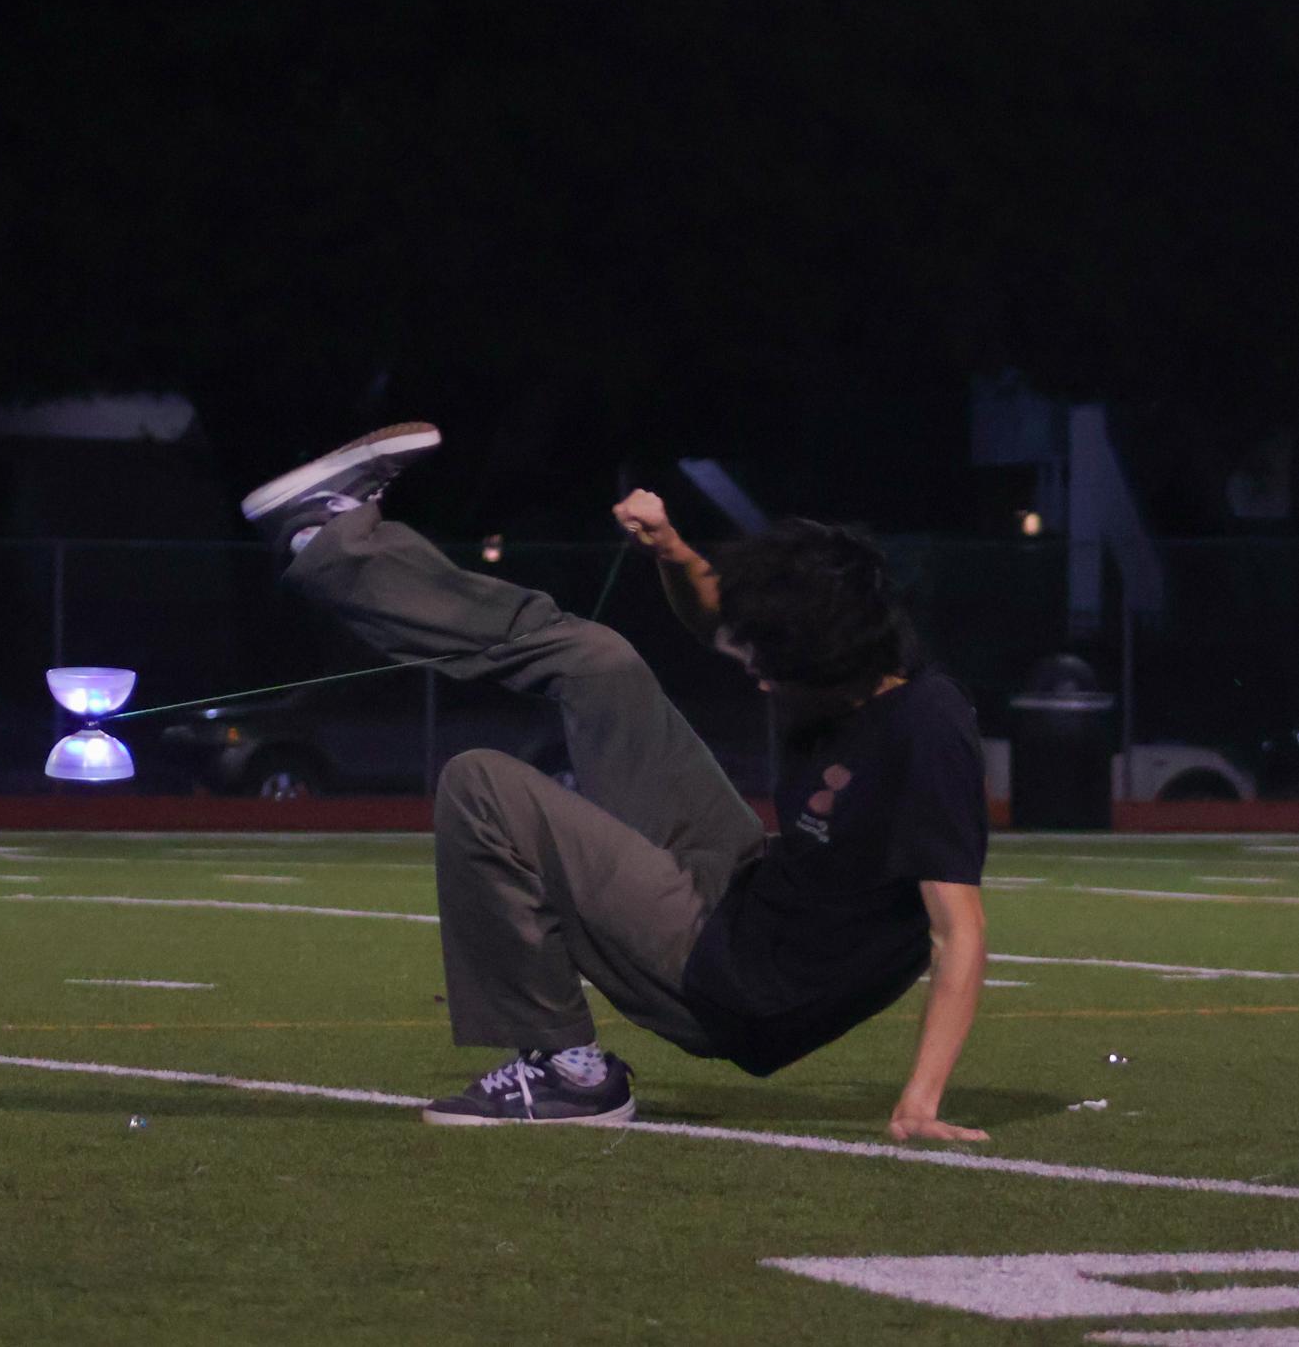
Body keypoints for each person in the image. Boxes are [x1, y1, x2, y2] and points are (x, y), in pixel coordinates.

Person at [241, 422, 990, 1140]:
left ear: (835, 660)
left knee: (481, 785)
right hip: (744, 891)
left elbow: (957, 933)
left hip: (739, 985)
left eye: (771, 667)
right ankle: (329, 542)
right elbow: (712, 614)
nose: (757, 679)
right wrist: (669, 548)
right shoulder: (835, 656)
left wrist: (919, 1102)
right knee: (598, 657)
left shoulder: (925, 733)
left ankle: (566, 1068)